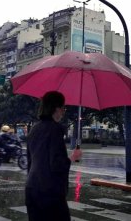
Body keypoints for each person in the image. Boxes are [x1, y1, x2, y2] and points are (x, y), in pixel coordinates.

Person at [25, 91, 82, 221]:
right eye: (63, 108)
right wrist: (73, 157)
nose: (63, 112)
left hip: (32, 188)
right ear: (57, 109)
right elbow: (56, 164)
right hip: (50, 193)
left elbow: (30, 162)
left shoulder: (34, 129)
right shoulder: (55, 130)